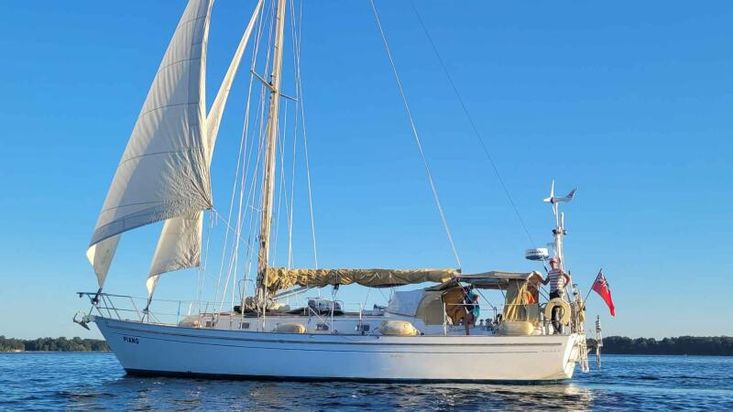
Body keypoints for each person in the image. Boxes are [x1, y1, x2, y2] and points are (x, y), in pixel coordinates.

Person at [543, 256, 571, 334]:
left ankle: (559, 330)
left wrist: (563, 286)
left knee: (558, 311)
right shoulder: (550, 273)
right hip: (552, 293)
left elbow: (568, 278)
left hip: (558, 292)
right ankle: (557, 330)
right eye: (551, 263)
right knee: (552, 312)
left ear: (556, 263)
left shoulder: (560, 271)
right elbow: (545, 283)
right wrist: (539, 279)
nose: (552, 264)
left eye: (553, 262)